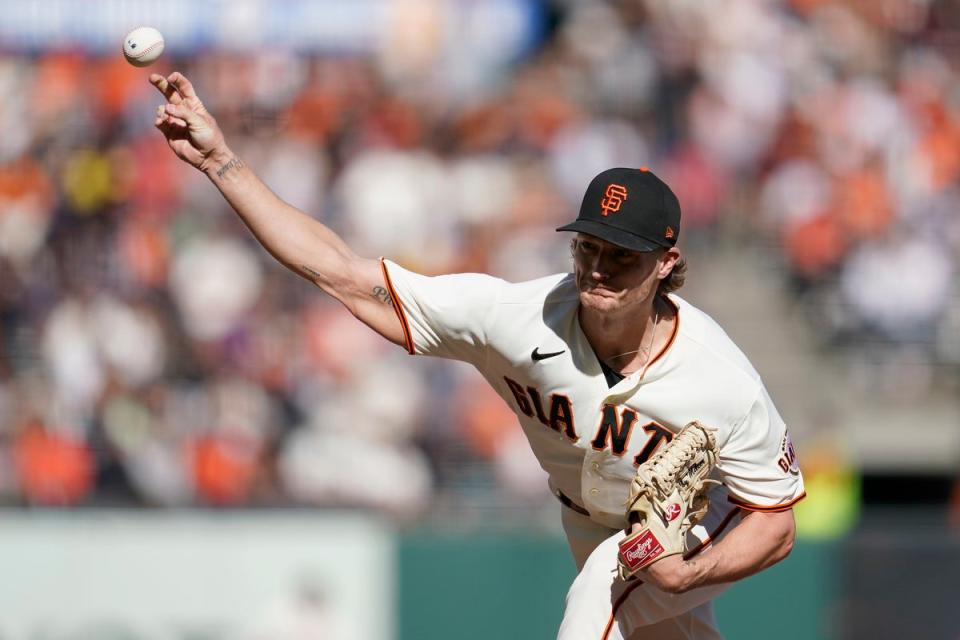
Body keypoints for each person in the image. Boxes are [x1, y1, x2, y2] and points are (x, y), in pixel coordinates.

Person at [150, 71, 805, 640]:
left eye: (622, 256)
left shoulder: (719, 380)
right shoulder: (514, 319)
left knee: (605, 591)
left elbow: (775, 523)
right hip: (587, 518)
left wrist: (688, 571)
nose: (600, 269)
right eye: (589, 248)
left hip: (690, 525)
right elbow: (342, 273)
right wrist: (220, 164)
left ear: (666, 265)